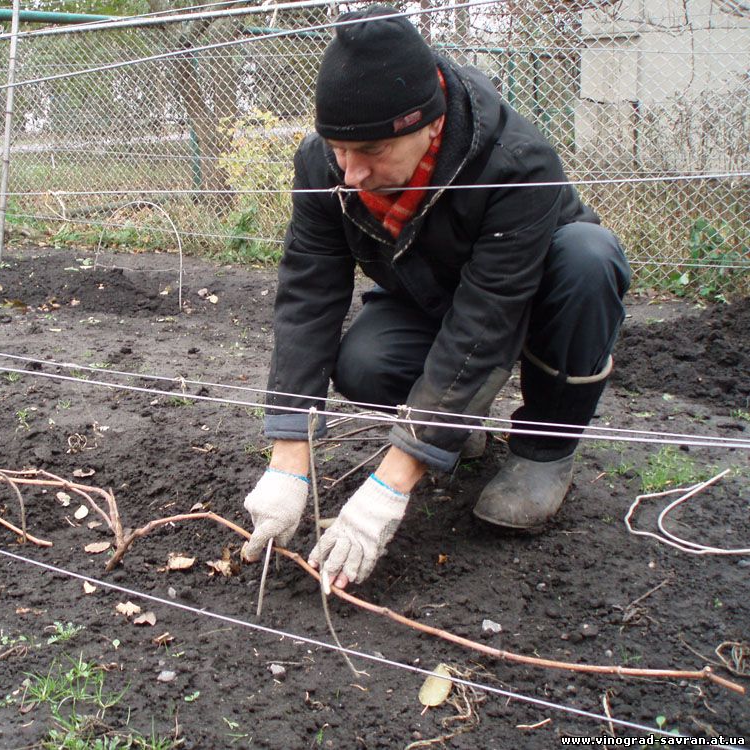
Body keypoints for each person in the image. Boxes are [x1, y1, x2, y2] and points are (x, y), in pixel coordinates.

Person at [241, 5, 632, 590]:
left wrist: (387, 487)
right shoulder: (327, 164)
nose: (350, 173)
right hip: (431, 294)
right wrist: (288, 451)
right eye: (338, 149)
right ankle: (456, 434)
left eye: (370, 152)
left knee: (588, 257)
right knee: (365, 365)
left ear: (428, 124)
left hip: (538, 292)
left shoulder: (515, 162)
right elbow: (308, 289)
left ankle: (544, 451)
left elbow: (487, 317)